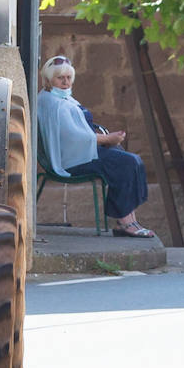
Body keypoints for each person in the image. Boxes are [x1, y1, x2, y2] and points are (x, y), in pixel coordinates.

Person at [37, 54, 154, 238]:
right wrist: (107, 140)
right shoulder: (53, 103)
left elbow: (79, 130)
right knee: (128, 162)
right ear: (48, 80)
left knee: (131, 160)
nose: (66, 82)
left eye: (69, 78)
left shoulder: (62, 98)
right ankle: (126, 222)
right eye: (60, 78)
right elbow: (73, 136)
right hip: (72, 159)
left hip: (81, 152)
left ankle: (128, 219)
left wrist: (105, 137)